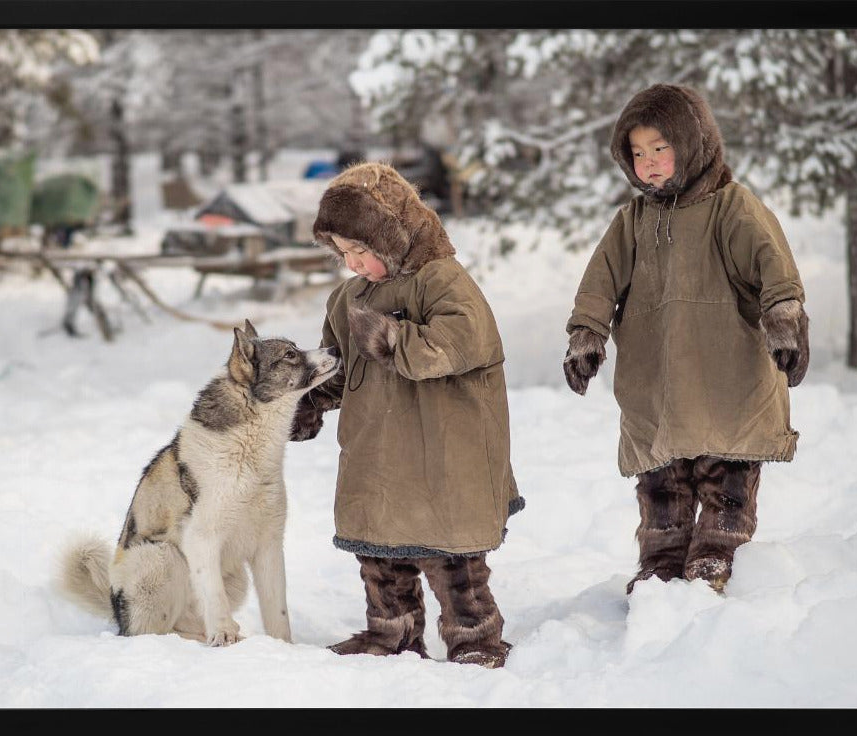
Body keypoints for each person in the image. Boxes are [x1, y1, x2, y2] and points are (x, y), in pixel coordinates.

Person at [563, 84, 810, 595]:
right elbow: (599, 282)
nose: (649, 163)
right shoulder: (632, 221)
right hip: (657, 384)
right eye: (638, 153)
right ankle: (661, 560)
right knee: (662, 482)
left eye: (661, 148)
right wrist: (586, 333)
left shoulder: (731, 206)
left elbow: (772, 264)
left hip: (726, 378)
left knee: (726, 477)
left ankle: (718, 550)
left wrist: (784, 318)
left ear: (692, 143)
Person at [291, 161, 524, 668]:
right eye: (342, 252)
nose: (353, 263)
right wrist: (308, 400)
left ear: (392, 236)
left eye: (361, 249)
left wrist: (394, 338)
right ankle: (391, 632)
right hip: (375, 450)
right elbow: (339, 365)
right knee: (379, 552)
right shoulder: (346, 298)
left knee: (452, 556)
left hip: (442, 447)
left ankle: (475, 636)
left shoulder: (442, 279)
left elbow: (466, 339)